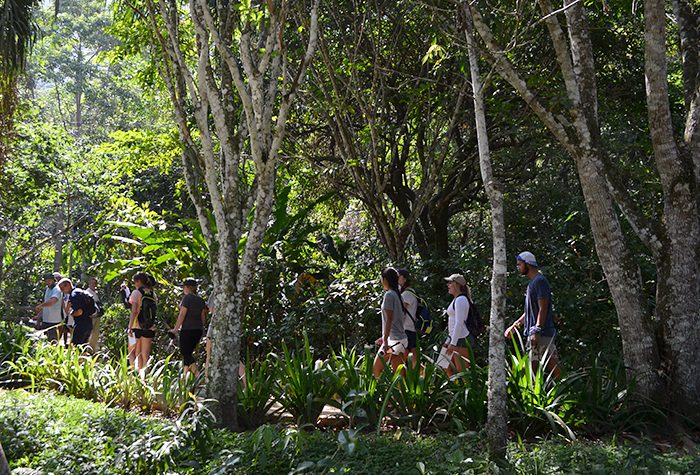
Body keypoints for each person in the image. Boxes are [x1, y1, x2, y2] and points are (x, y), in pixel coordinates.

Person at [504, 251, 561, 378]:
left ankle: (565, 391)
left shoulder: (540, 281)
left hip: (542, 334)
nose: (518, 267)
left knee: (552, 365)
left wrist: (537, 329)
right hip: (533, 333)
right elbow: (529, 312)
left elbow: (543, 307)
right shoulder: (532, 283)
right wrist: (515, 326)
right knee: (531, 368)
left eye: (519, 264)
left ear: (527, 265)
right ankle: (535, 395)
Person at [372, 267, 408, 377]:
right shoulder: (398, 295)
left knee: (376, 369)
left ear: (386, 280)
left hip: (393, 341)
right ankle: (402, 393)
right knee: (399, 375)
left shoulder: (389, 295)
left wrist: (385, 340)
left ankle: (380, 393)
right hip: (401, 340)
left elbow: (389, 319)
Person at [172, 278, 206, 376]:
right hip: (198, 330)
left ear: (188, 287)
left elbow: (182, 314)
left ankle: (197, 376)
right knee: (188, 353)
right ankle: (184, 379)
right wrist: (202, 329)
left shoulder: (187, 298)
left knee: (185, 353)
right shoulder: (201, 300)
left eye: (184, 287)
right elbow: (203, 316)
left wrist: (175, 329)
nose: (183, 289)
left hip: (187, 329)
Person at [440, 274, 472, 376]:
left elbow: (459, 323)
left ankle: (464, 391)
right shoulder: (456, 299)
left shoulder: (461, 300)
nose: (448, 285)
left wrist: (453, 344)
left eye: (450, 283)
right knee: (445, 367)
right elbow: (453, 324)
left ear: (457, 285)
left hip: (461, 340)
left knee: (462, 373)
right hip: (453, 339)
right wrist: (448, 341)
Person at [127, 272, 157, 374]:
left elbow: (134, 311)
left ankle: (134, 376)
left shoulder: (136, 293)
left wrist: (130, 326)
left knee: (132, 352)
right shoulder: (152, 294)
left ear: (138, 281)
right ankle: (145, 376)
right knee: (145, 355)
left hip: (136, 327)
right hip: (149, 327)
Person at [57, 278, 94, 346]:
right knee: (83, 346)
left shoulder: (74, 295)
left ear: (67, 285)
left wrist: (72, 313)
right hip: (88, 323)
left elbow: (79, 312)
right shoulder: (79, 291)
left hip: (81, 325)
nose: (62, 291)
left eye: (62, 288)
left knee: (77, 347)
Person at [33, 272, 63, 342]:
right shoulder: (47, 289)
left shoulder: (56, 289)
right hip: (46, 320)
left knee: (53, 342)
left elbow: (52, 301)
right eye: (46, 281)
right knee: (45, 342)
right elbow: (46, 304)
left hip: (54, 321)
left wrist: (40, 306)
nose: (48, 282)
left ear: (53, 280)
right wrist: (39, 315)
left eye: (49, 280)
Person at [397, 268, 418, 363]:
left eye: (399, 276)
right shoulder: (411, 292)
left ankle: (415, 376)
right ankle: (420, 375)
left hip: (406, 329)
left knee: (405, 357)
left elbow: (401, 313)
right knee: (412, 356)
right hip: (410, 329)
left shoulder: (406, 294)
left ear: (405, 279)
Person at [84, 277, 102, 351]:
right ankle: (88, 348)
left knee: (96, 332)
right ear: (89, 284)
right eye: (92, 283)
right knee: (89, 333)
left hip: (97, 315)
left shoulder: (96, 293)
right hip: (90, 316)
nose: (93, 285)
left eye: (95, 283)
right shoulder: (86, 292)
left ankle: (93, 348)